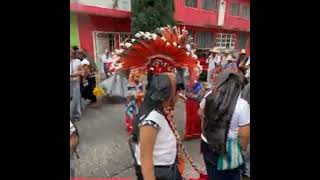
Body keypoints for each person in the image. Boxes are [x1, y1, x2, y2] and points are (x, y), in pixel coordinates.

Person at [198, 71, 250, 180]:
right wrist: (242, 149)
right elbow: (244, 135)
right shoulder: (242, 105)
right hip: (229, 148)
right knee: (231, 175)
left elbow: (200, 113)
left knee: (213, 173)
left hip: (207, 142)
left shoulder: (209, 96)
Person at [132, 73, 183, 180]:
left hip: (166, 170)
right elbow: (145, 159)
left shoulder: (159, 110)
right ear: (168, 94)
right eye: (177, 92)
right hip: (160, 174)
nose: (179, 95)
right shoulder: (151, 119)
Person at [70, 48, 83, 122]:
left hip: (75, 83)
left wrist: (77, 73)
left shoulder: (77, 61)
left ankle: (77, 115)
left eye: (71, 52)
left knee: (76, 98)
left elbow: (81, 71)